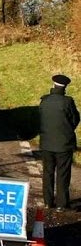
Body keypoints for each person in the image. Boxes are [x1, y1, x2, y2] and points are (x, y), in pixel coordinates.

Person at [39, 74, 80, 212]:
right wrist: (67, 129)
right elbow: (75, 119)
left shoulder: (44, 101)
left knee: (48, 172)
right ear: (65, 87)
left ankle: (48, 202)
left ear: (53, 85)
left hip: (46, 143)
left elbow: (41, 119)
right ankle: (62, 204)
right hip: (64, 144)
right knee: (63, 173)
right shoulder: (68, 102)